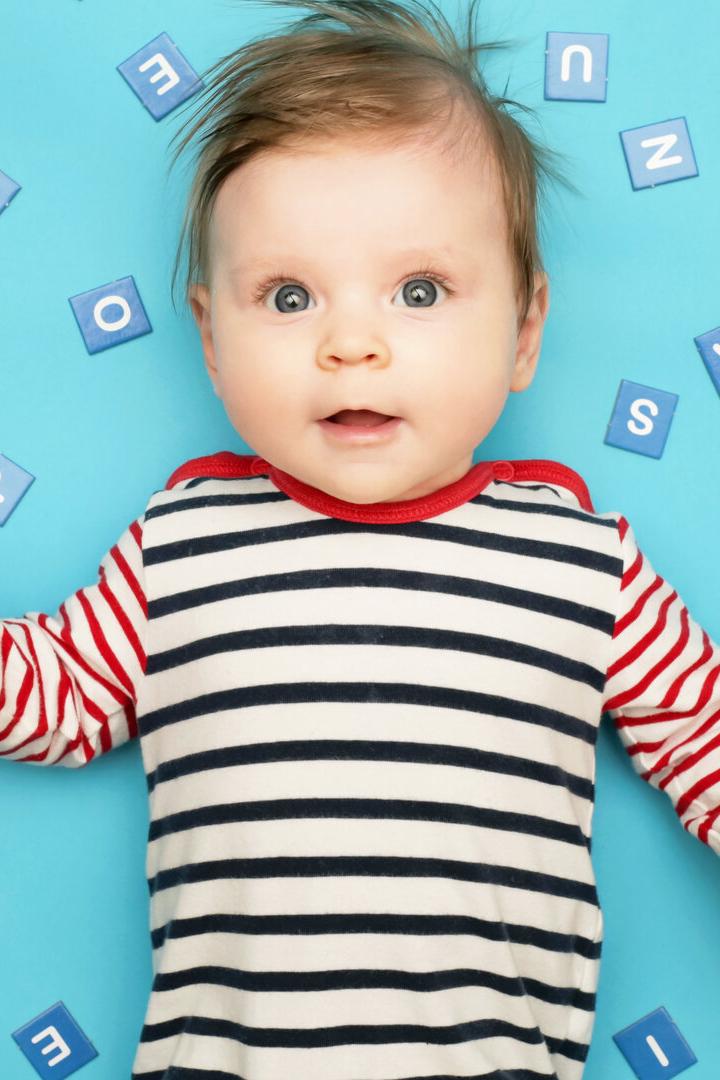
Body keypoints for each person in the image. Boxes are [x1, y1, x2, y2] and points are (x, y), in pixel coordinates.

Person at [3, 1, 719, 1077]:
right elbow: (54, 697)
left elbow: (708, 744)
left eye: (418, 291)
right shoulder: (179, 544)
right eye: (288, 297)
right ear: (209, 336)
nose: (350, 344)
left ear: (525, 330)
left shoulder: (587, 562)